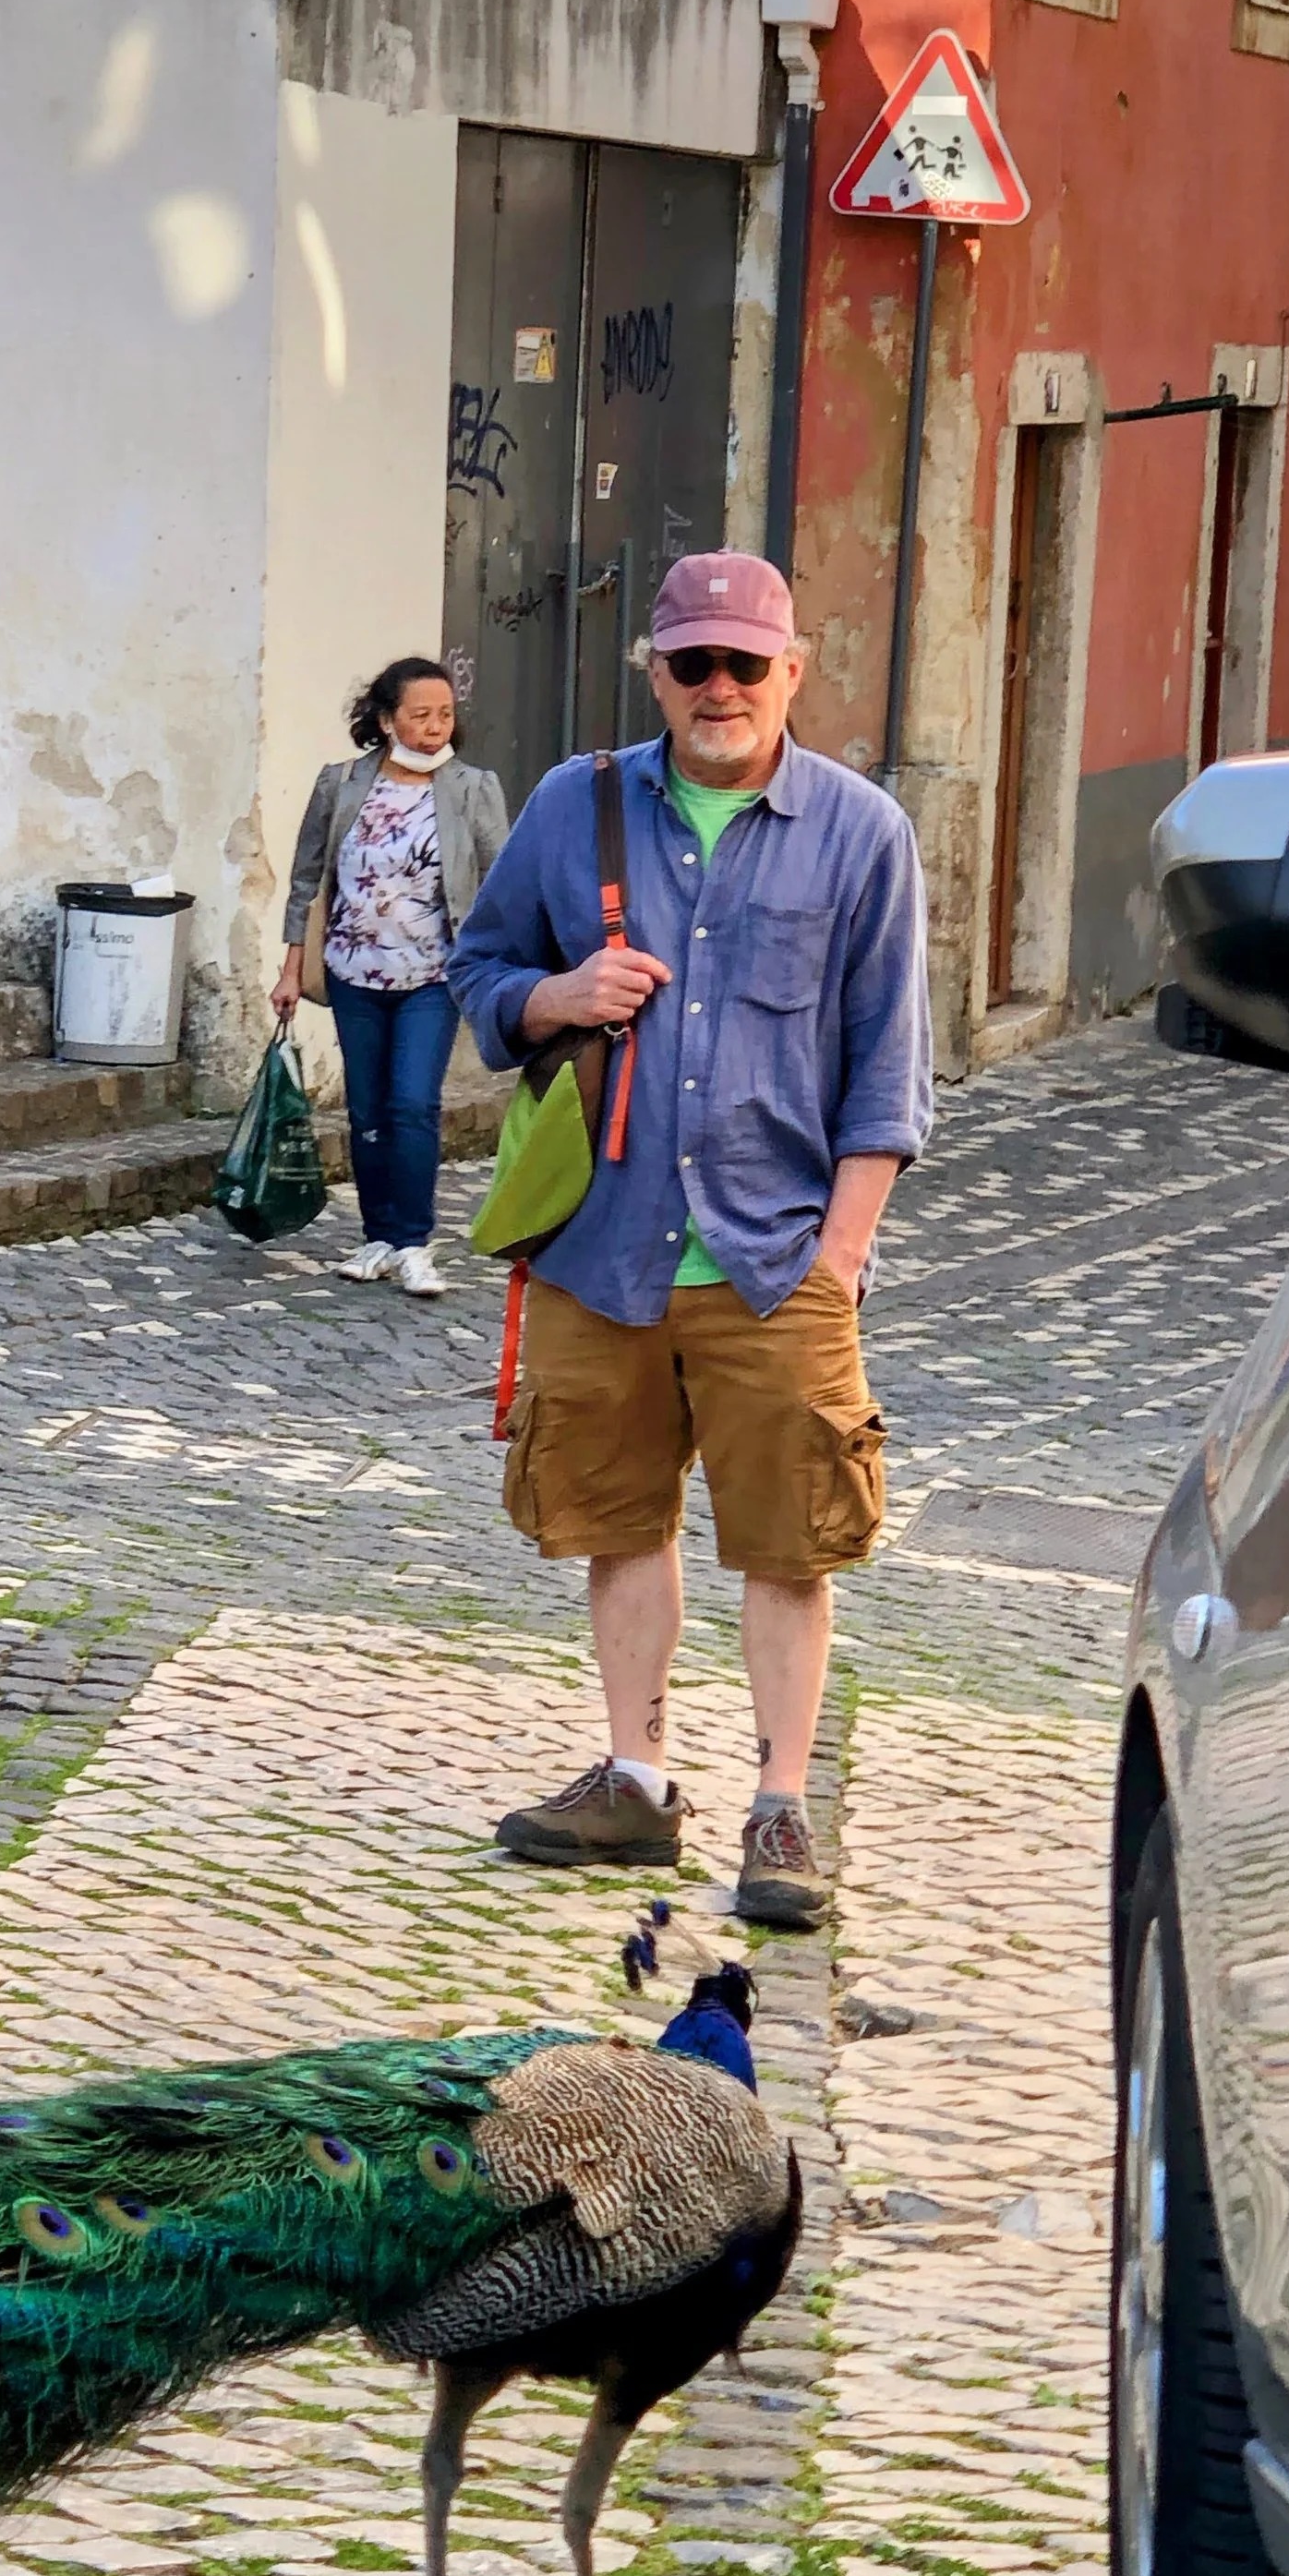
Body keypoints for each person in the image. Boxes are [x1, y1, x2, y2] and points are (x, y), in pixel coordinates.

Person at [452, 551, 932, 1929]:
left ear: (794, 669)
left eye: (745, 663)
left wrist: (840, 1258)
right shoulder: (574, 807)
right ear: (651, 669)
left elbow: (889, 1072)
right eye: (691, 664)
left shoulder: (859, 834)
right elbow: (482, 977)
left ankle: (780, 1807)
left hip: (778, 1257)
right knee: (619, 1520)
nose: (718, 688)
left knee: (791, 1542)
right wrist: (560, 992)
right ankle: (636, 1778)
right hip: (602, 1251)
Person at [274, 658, 508, 1298]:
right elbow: (306, 879)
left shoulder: (473, 788)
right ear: (386, 720)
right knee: (368, 1109)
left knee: (412, 1103)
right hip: (354, 970)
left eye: (445, 716)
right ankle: (376, 1235)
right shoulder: (342, 784)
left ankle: (414, 1241)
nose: (435, 729)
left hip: (433, 975)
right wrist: (292, 968)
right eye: (420, 716)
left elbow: (502, 878)